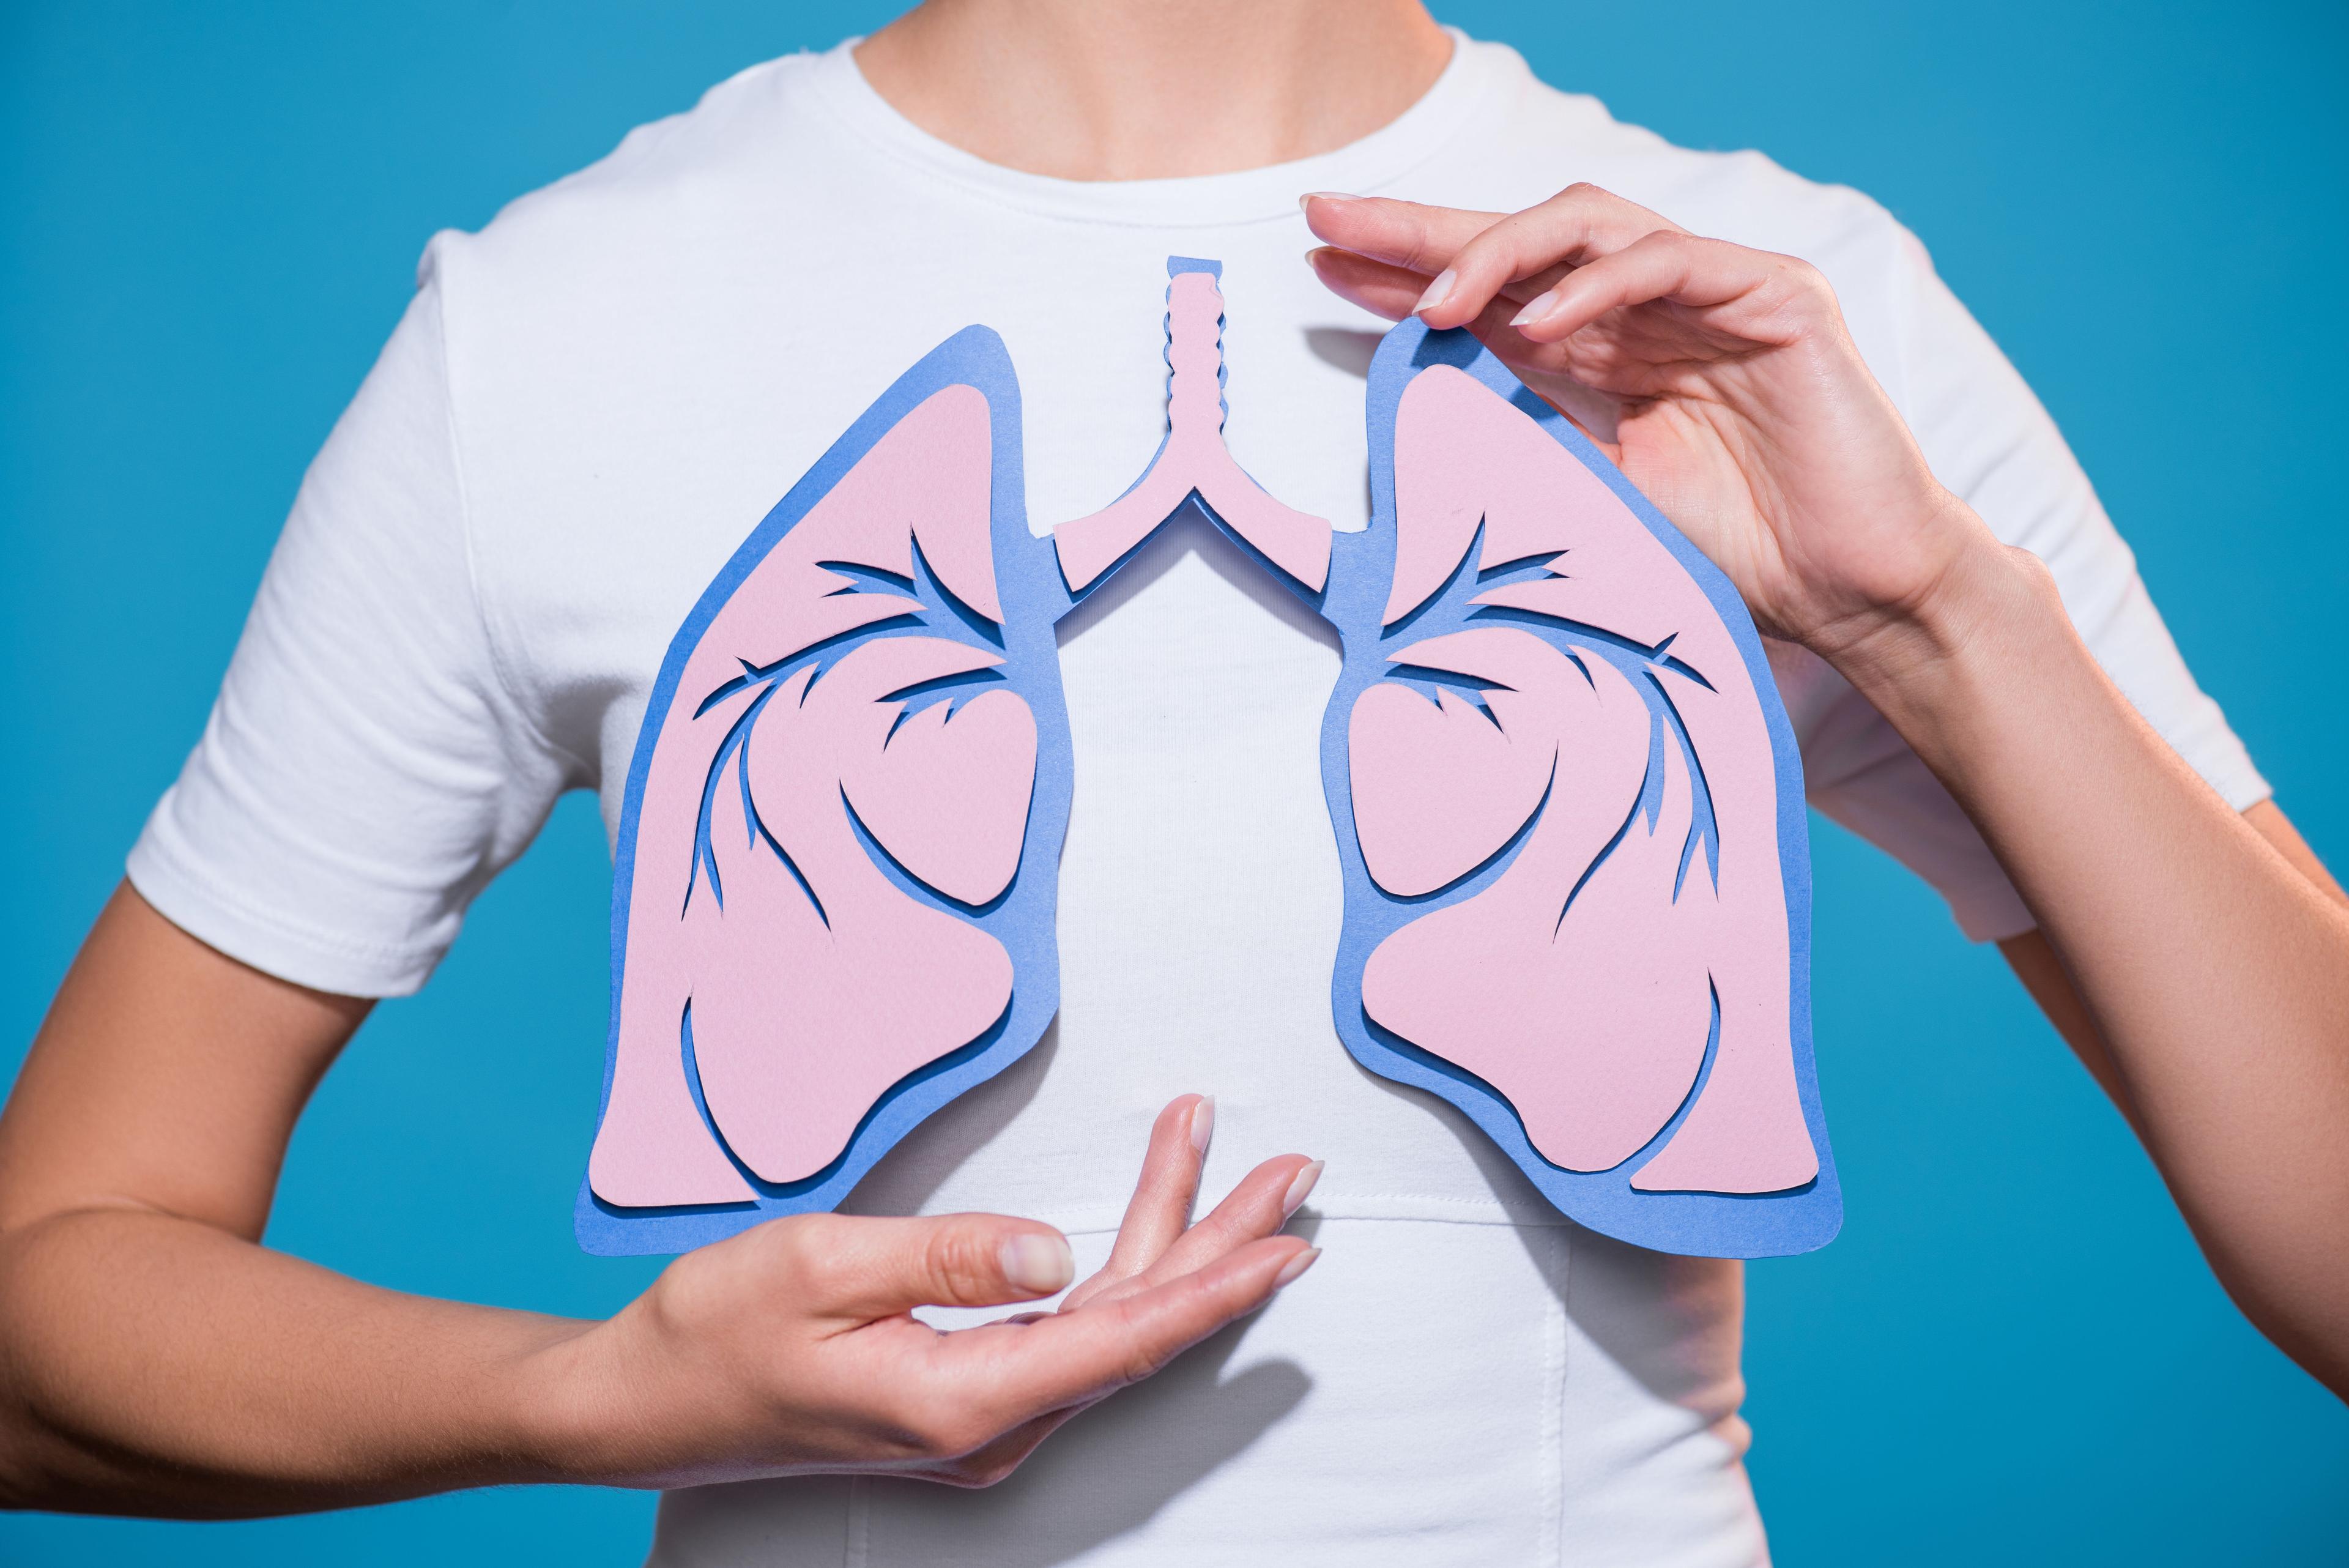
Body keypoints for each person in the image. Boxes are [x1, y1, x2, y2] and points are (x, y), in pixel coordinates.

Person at [1, 0, 2342, 1561]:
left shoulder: (1769, 313)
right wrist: (597, 1395)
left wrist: (1931, 614)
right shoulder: (559, 327)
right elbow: (43, 1310)